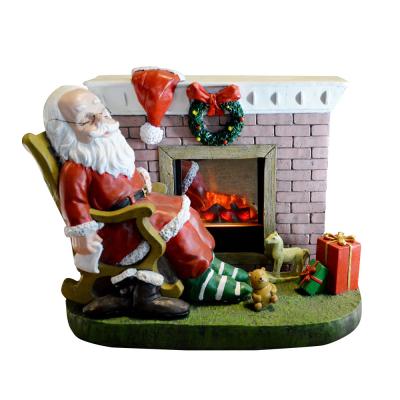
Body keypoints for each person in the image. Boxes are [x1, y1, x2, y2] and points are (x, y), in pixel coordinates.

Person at [43, 86, 253, 307]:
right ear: (66, 131)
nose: (101, 121)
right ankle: (198, 281)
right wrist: (85, 240)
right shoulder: (77, 168)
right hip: (121, 229)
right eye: (87, 119)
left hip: (139, 209)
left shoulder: (107, 149)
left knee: (189, 213)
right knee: (178, 226)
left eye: (102, 113)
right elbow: (75, 207)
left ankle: (208, 263)